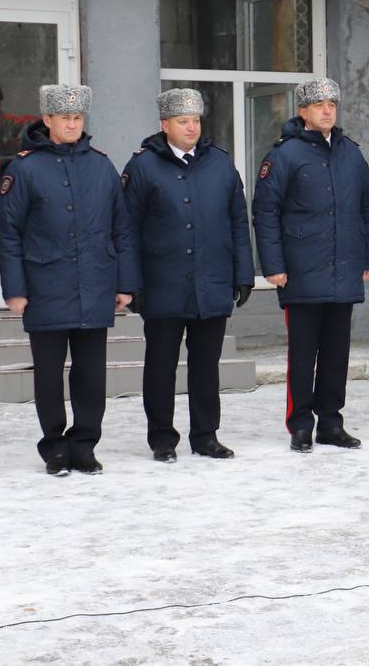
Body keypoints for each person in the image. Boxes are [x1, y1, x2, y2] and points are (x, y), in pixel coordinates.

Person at [0, 84, 140, 476]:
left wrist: (125, 284)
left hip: (96, 285)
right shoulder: (24, 168)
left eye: (77, 118)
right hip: (45, 287)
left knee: (91, 375)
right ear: (48, 120)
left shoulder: (101, 166)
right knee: (48, 374)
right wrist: (15, 289)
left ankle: (85, 444)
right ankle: (55, 448)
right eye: (64, 118)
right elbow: (7, 231)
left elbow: (121, 229)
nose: (72, 124)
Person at [122, 88, 254, 462]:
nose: (191, 127)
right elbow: (127, 230)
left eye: (195, 120)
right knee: (161, 365)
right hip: (163, 283)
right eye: (183, 121)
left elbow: (237, 222)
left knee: (206, 365)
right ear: (165, 125)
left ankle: (206, 434)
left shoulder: (220, 163)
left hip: (211, 281)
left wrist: (242, 273)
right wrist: (131, 284)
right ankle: (162, 438)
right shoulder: (143, 167)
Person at [253, 78, 369, 453]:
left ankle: (331, 422)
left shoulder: (351, 154)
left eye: (332, 104)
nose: (327, 110)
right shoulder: (284, 156)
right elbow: (266, 213)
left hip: (344, 269)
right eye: (319, 104)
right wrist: (273, 265)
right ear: (303, 111)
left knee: (337, 353)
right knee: (304, 353)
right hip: (301, 270)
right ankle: (300, 424)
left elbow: (367, 210)